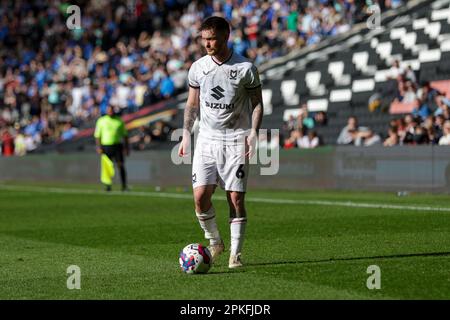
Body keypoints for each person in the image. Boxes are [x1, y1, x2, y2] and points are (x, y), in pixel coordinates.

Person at [178, 16, 263, 269]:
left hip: (236, 139)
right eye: (204, 39)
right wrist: (185, 133)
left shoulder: (245, 68)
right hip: (206, 138)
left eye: (212, 38)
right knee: (200, 198)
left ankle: (235, 254)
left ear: (226, 37)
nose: (207, 44)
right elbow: (192, 104)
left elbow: (257, 103)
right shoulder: (198, 67)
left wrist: (254, 132)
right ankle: (215, 242)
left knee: (235, 198)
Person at [94, 105, 130, 191]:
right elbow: (97, 136)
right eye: (108, 110)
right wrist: (99, 147)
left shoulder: (119, 121)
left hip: (117, 146)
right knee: (107, 167)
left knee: (120, 165)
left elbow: (125, 135)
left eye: (111, 110)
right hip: (106, 146)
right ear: (106, 111)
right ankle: (108, 186)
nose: (110, 111)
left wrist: (126, 147)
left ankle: (124, 186)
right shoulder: (101, 121)